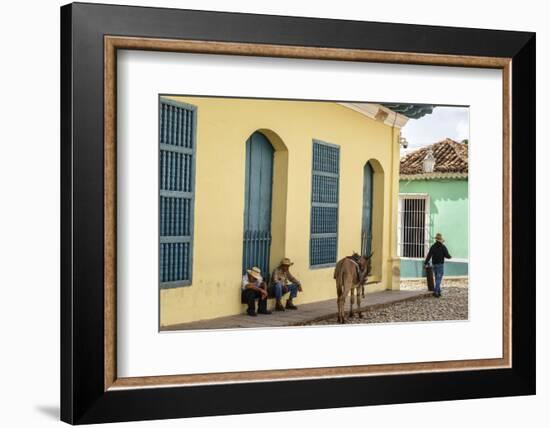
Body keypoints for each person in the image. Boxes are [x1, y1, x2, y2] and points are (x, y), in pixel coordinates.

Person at [424, 233, 452, 298]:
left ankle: (439, 292)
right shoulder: (443, 247)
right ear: (440, 240)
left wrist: (425, 263)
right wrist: (450, 257)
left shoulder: (433, 246)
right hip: (440, 265)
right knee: (438, 279)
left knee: (437, 278)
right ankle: (436, 292)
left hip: (434, 265)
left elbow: (429, 255)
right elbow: (447, 255)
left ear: (436, 240)